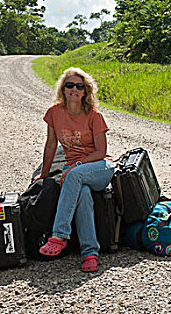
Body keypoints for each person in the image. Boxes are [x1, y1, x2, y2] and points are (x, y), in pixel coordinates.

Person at [33, 67, 115, 272]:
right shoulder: (54, 113)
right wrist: (43, 176)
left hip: (99, 167)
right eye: (69, 85)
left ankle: (59, 235)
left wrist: (76, 167)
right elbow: (51, 145)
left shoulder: (94, 115)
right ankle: (90, 253)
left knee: (74, 175)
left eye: (79, 86)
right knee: (84, 195)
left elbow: (101, 151)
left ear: (85, 91)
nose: (74, 89)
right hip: (75, 172)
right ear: (63, 89)